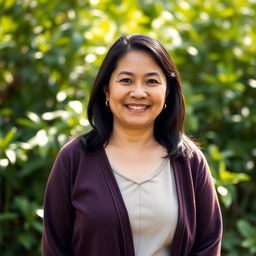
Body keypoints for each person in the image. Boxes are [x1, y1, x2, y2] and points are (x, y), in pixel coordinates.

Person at [42, 34, 222, 256]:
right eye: (126, 80)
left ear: (167, 92)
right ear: (106, 89)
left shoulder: (189, 161)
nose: (138, 92)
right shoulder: (74, 158)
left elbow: (208, 246)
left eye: (152, 81)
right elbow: (55, 248)